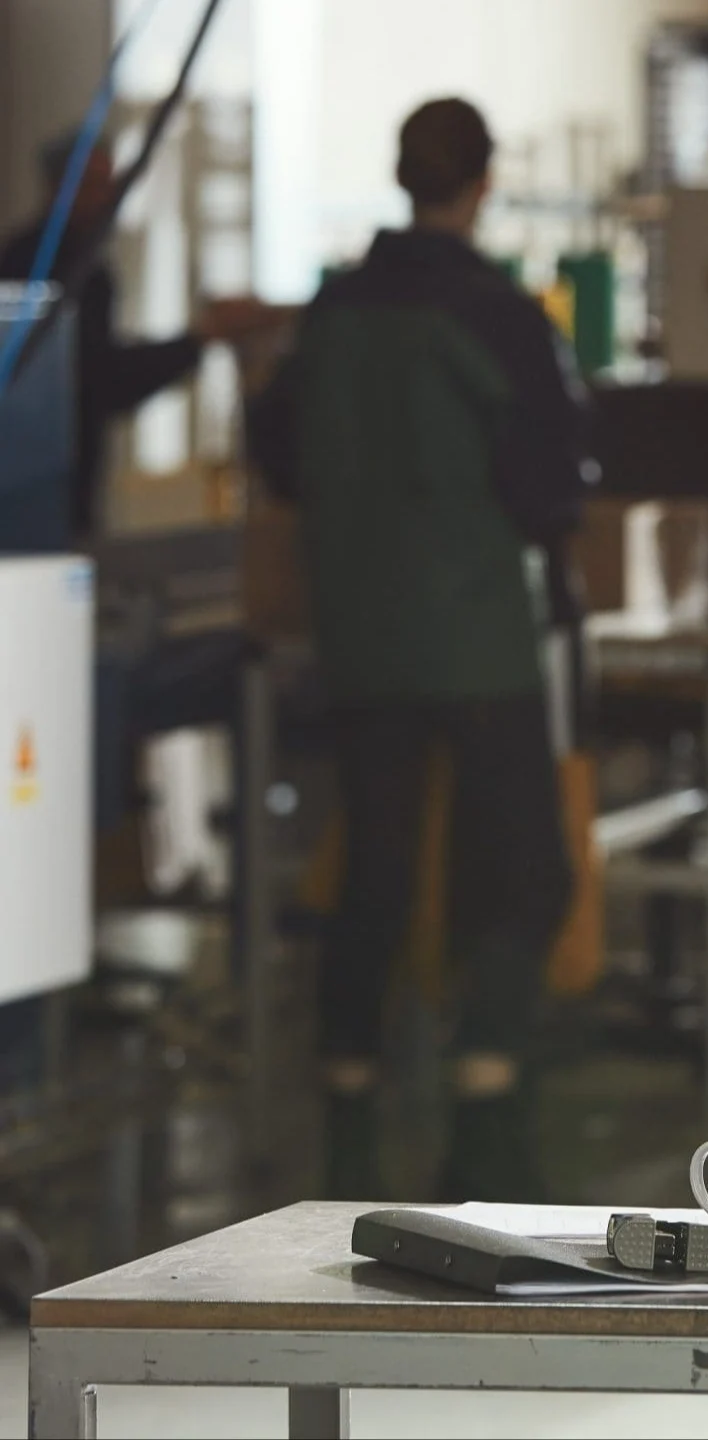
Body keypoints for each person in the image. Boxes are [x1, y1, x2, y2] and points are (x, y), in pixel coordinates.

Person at [246, 98, 588, 1202]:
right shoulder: (497, 313)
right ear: (481, 184)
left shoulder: (331, 310)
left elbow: (278, 454)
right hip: (478, 639)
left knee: (376, 877)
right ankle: (487, 1109)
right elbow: (549, 490)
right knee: (523, 871)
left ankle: (346, 1120)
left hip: (360, 641)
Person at [2, 133, 283, 540]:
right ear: (58, 188)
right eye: (93, 183)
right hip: (37, 498)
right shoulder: (43, 267)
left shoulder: (78, 263)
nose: (107, 198)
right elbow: (100, 380)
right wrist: (200, 339)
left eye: (109, 183)